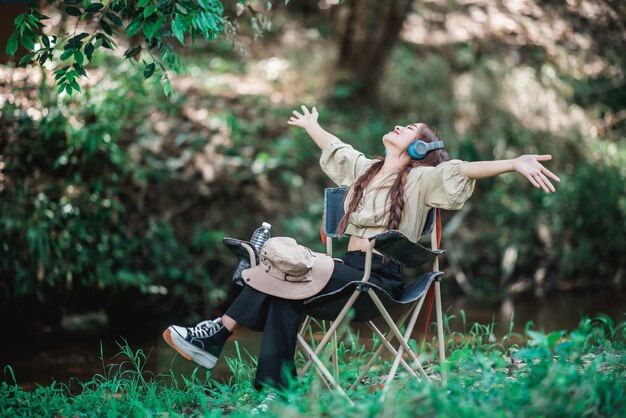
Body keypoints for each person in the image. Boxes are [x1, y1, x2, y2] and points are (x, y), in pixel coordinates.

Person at [163, 105, 560, 391]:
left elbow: (460, 169)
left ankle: (218, 330)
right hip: (348, 272)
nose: (400, 125)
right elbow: (338, 151)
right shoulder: (365, 171)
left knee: (280, 266)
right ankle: (275, 391)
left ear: (419, 149)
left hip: (377, 282)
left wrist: (512, 163)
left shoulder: (421, 179)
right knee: (285, 291)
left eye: (411, 129)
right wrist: (312, 125)